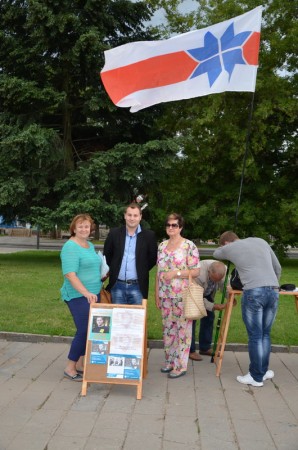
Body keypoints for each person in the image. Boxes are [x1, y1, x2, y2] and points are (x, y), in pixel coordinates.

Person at [213, 231, 281, 387]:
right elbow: (277, 267)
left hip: (254, 292)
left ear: (226, 243)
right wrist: (273, 285)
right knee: (265, 334)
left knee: (256, 335)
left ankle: (256, 376)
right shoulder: (261, 240)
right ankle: (263, 372)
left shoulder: (231, 247)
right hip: (273, 291)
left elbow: (217, 253)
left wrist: (227, 249)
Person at [155, 213, 200, 379]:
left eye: (174, 225)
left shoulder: (189, 246)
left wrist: (177, 273)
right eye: (168, 225)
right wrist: (156, 294)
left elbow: (196, 271)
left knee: (183, 331)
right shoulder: (161, 246)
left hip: (182, 295)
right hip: (165, 295)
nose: (171, 228)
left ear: (180, 227)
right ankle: (170, 361)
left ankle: (181, 365)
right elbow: (158, 272)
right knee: (168, 330)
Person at [60, 214, 101, 381]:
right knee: (84, 330)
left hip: (94, 294)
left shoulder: (89, 245)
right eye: (81, 226)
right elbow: (70, 274)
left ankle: (82, 365)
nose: (84, 229)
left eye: (87, 226)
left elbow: (91, 267)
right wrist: (86, 293)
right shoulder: (70, 247)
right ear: (74, 228)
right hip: (78, 295)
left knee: (93, 331)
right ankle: (70, 367)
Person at [104, 202, 157, 305]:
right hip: (117, 286)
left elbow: (152, 258)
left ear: (140, 217)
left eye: (135, 215)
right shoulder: (114, 234)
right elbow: (107, 255)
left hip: (138, 287)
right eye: (129, 215)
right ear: (125, 216)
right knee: (117, 319)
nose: (132, 218)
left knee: (136, 320)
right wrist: (114, 267)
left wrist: (142, 268)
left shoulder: (149, 236)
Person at [189, 260, 228, 361]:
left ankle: (205, 347)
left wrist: (230, 297)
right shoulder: (199, 274)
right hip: (194, 293)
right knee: (191, 320)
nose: (215, 282)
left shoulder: (223, 271)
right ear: (209, 272)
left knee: (209, 317)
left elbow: (225, 287)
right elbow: (197, 297)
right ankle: (190, 350)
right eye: (213, 279)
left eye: (217, 280)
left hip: (207, 293)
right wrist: (213, 306)